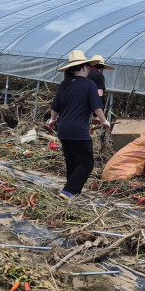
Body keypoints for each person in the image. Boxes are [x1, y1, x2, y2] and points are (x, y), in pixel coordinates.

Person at [46, 50, 111, 198]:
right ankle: (68, 191)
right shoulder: (89, 85)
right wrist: (104, 121)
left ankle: (73, 192)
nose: (88, 69)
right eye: (87, 67)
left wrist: (52, 120)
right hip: (79, 131)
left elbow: (55, 107)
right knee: (87, 163)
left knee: (73, 163)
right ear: (82, 67)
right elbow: (97, 107)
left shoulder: (64, 84)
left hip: (63, 130)